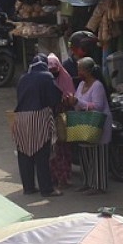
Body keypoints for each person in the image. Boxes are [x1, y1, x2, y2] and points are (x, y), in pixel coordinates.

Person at [12, 55, 63, 197]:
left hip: (20, 118)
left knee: (24, 154)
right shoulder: (46, 76)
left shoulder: (23, 78)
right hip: (38, 117)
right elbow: (54, 97)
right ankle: (46, 189)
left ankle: (28, 187)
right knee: (41, 154)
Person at [74, 57, 113, 195]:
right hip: (84, 124)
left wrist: (79, 102)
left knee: (98, 155)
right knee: (85, 154)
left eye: (80, 69)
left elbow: (98, 106)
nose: (78, 72)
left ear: (87, 71)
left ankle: (98, 185)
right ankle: (87, 182)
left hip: (98, 124)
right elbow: (77, 101)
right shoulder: (80, 85)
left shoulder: (97, 86)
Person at [46, 53, 76, 189]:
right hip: (51, 121)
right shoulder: (46, 80)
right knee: (55, 150)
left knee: (65, 150)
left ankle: (66, 177)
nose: (54, 74)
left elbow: (72, 98)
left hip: (64, 120)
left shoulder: (66, 78)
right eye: (50, 71)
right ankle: (56, 177)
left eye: (55, 70)